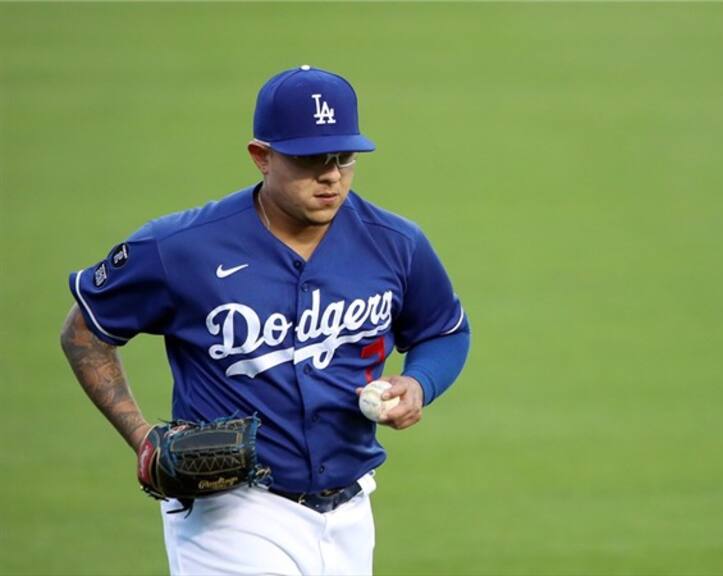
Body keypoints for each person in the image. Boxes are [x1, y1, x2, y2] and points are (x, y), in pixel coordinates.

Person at [60, 65, 470, 576]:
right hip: (231, 516)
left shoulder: (396, 243)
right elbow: (84, 330)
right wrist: (142, 437)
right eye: (310, 159)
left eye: (344, 157)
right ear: (261, 156)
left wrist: (418, 381)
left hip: (351, 511)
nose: (331, 175)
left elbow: (443, 331)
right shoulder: (181, 248)